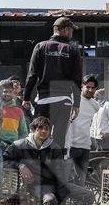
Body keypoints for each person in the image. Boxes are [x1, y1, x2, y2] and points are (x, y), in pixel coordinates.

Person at [4, 116, 85, 205]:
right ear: (33, 130)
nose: (43, 131)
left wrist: (62, 204)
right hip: (21, 186)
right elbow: (4, 160)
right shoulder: (19, 145)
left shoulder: (55, 148)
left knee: (50, 200)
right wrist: (20, 165)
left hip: (46, 187)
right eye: (40, 128)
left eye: (46, 128)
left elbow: (61, 178)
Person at [22, 17, 83, 145]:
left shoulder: (40, 46)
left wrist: (26, 98)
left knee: (40, 137)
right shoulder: (72, 50)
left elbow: (32, 75)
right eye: (71, 30)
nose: (72, 34)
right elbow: (77, 80)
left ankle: (40, 164)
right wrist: (77, 104)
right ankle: (55, 164)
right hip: (64, 102)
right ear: (65, 30)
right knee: (59, 140)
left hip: (44, 100)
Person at [65, 75, 101, 184]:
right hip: (71, 145)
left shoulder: (95, 105)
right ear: (82, 86)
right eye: (88, 87)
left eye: (93, 88)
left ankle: (80, 201)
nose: (90, 90)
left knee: (81, 181)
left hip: (85, 146)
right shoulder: (73, 99)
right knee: (67, 179)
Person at [0, 78, 29, 147]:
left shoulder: (18, 111)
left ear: (13, 92)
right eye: (5, 91)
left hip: (13, 146)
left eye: (10, 91)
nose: (7, 94)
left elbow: (23, 132)